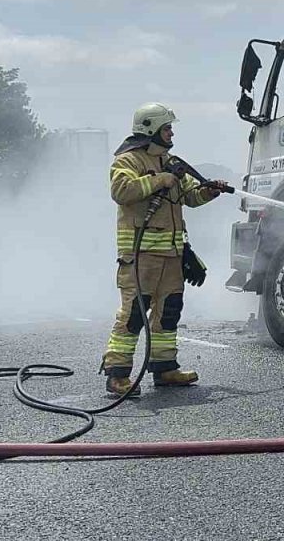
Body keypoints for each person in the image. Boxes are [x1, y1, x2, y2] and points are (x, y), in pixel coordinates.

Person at [101, 102, 223, 397]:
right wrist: (159, 181)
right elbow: (121, 192)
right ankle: (117, 375)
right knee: (133, 315)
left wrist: (209, 190)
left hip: (171, 256)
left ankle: (165, 368)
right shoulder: (127, 161)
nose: (171, 133)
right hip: (140, 256)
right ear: (151, 128)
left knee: (168, 313)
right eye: (167, 128)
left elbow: (190, 197)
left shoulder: (170, 161)